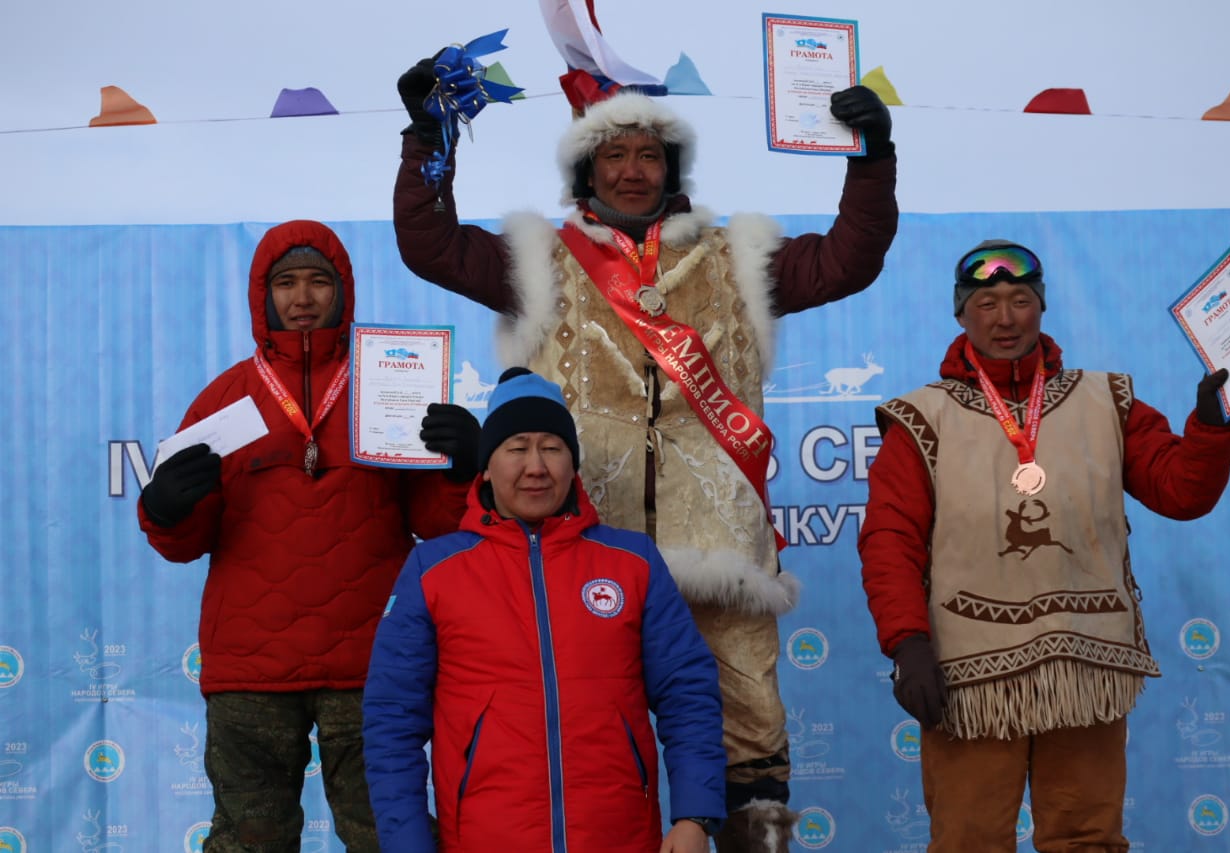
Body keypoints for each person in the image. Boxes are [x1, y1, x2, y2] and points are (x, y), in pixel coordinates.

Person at [391, 53, 899, 848]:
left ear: (672, 166)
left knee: (748, 750)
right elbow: (429, 245)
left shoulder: (738, 258)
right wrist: (428, 138)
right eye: (615, 154)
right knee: (584, 749)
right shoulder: (542, 262)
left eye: (649, 154)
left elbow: (847, 260)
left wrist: (871, 162)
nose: (633, 170)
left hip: (722, 553)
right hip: (585, 553)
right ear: (588, 167)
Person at [858, 239, 1230, 851]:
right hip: (971, 677)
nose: (1004, 318)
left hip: (1085, 665)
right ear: (961, 314)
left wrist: (1211, 428)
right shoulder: (920, 418)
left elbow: (1181, 492)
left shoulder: (1106, 401)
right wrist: (907, 644)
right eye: (986, 302)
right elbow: (889, 540)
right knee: (968, 842)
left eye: (1019, 300)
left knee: (1088, 839)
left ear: (1041, 308)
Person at [138, 219, 479, 852]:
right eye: (286, 283)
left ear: (343, 291)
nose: (302, 298)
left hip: (371, 663)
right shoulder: (224, 401)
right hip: (251, 669)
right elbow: (183, 542)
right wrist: (162, 508)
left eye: (318, 281)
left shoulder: (388, 388)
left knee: (390, 835)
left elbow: (436, 524)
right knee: (248, 840)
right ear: (261, 295)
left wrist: (461, 468)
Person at [362, 367, 727, 853]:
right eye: (516, 447)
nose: (536, 466)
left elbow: (688, 693)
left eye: (552, 448)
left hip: (619, 839)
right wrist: (407, 843)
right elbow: (392, 720)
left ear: (572, 464)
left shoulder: (631, 562)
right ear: (486, 466)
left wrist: (693, 816)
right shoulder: (433, 569)